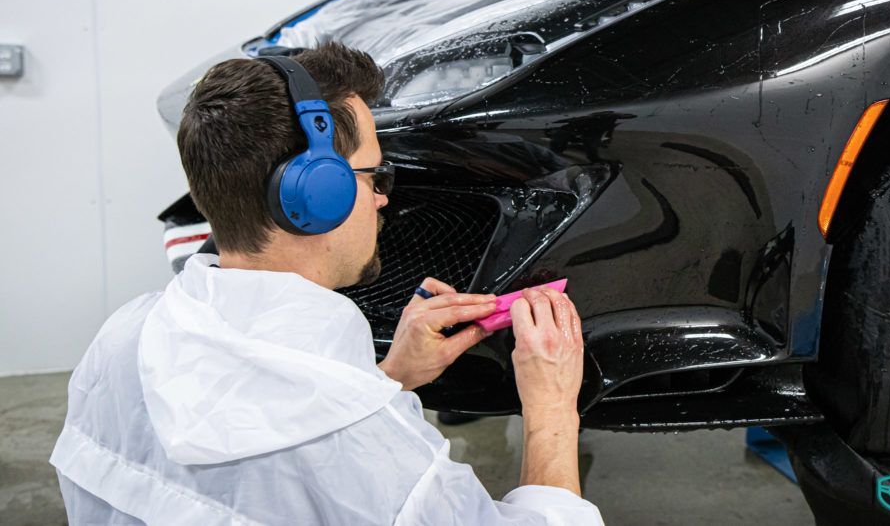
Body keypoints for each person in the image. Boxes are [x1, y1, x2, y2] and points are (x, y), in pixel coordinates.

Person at [49, 42, 603, 524]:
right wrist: (552, 410)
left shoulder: (118, 343)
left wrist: (389, 378)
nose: (385, 197)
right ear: (317, 195)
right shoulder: (380, 458)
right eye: (374, 176)